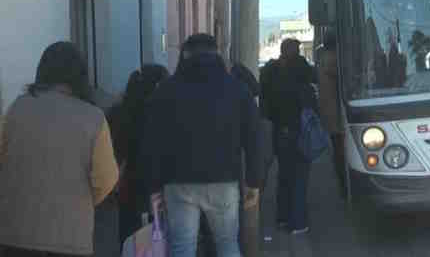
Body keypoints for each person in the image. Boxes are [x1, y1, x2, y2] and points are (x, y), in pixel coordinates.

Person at [142, 34, 263, 257]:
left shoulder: (165, 91)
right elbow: (254, 136)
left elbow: (152, 143)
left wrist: (154, 186)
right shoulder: (236, 89)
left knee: (182, 246)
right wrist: (253, 182)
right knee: (227, 244)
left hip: (177, 182)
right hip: (224, 181)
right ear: (217, 54)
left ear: (185, 55)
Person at [0, 42, 119, 257]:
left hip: (15, 234)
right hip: (71, 238)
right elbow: (106, 182)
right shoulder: (94, 118)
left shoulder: (17, 109)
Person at [106, 64, 169, 248]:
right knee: (158, 243)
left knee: (130, 242)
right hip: (158, 192)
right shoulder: (162, 115)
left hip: (128, 193)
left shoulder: (118, 114)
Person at [261, 38, 315, 235]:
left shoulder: (272, 71)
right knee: (299, 178)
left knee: (284, 176)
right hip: (298, 131)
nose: (300, 51)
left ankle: (282, 218)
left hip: (279, 132)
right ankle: (298, 222)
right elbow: (313, 79)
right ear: (294, 51)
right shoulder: (300, 69)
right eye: (298, 49)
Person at [317, 30, 346, 200]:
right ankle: (343, 186)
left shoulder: (323, 58)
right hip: (336, 114)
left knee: (338, 151)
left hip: (331, 114)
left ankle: (342, 184)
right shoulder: (333, 60)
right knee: (340, 153)